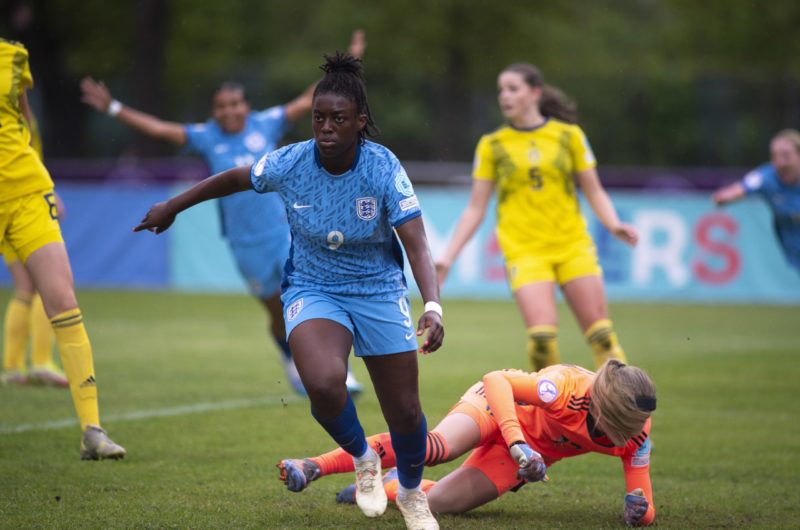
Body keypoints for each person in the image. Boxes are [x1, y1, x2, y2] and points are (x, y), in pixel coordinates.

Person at [135, 52, 445, 530]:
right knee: (323, 384)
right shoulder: (293, 161)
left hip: (378, 290)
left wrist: (433, 305)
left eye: (337, 119)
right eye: (319, 118)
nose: (324, 128)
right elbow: (237, 177)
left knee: (404, 412)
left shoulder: (383, 167)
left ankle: (409, 493)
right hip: (314, 286)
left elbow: (417, 243)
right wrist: (174, 206)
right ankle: (363, 459)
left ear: (360, 122)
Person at [79, 30, 367, 396]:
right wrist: (113, 108)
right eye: (222, 106)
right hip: (245, 245)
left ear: (246, 106)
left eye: (235, 103)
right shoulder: (206, 136)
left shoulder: (267, 123)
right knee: (277, 313)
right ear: (214, 111)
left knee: (311, 298)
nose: (229, 110)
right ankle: (290, 359)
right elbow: (158, 128)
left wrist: (348, 69)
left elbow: (308, 99)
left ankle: (338, 372)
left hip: (285, 233)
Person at [279, 360, 656, 526]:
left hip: (523, 455)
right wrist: (517, 442)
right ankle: (315, 465)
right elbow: (497, 380)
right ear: (605, 409)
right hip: (496, 410)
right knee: (435, 448)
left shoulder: (636, 432)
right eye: (627, 425)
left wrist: (638, 511)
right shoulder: (565, 388)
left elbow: (644, 503)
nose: (636, 433)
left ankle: (389, 482)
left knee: (439, 503)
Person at [436, 63, 638, 372]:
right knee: (542, 339)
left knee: (602, 337)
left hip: (572, 245)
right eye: (501, 90)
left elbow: (594, 190)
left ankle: (625, 412)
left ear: (535, 93)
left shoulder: (569, 136)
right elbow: (476, 208)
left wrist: (613, 224)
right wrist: (448, 256)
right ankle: (549, 412)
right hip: (525, 251)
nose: (505, 96)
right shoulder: (492, 145)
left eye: (513, 88)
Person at [0, 37, 125, 459]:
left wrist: (45, 174)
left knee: (61, 299)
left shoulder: (13, 54)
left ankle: (92, 430)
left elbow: (25, 120)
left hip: (27, 189)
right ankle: (18, 365)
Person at [1, 111, 67, 387]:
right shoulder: (12, 114)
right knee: (45, 285)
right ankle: (40, 361)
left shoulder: (14, 108)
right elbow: (23, 155)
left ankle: (13, 367)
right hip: (20, 200)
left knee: (25, 288)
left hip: (13, 198)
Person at [712, 129, 800, 272]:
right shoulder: (766, 177)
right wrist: (725, 197)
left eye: (786, 155)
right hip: (792, 241)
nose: (780, 162)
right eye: (775, 156)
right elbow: (742, 188)